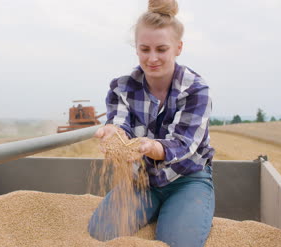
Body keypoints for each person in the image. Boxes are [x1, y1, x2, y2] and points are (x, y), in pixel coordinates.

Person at [88, 0, 215, 246]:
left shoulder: (196, 89)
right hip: (141, 180)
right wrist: (113, 133)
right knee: (100, 231)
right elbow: (120, 125)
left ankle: (178, 209)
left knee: (177, 242)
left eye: (161, 49)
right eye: (145, 49)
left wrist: (151, 147)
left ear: (178, 48)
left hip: (187, 178)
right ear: (136, 48)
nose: (152, 58)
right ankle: (157, 208)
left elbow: (183, 144)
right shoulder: (122, 86)